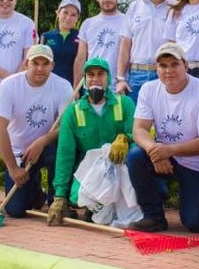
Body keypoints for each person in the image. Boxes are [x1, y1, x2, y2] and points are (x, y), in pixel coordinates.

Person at [126, 42, 199, 233]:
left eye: (174, 64)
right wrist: (154, 151)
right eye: (163, 66)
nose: (168, 71)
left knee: (196, 224)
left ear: (186, 65)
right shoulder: (149, 89)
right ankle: (153, 217)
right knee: (135, 156)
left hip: (196, 164)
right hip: (164, 155)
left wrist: (168, 150)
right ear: (156, 69)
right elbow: (139, 130)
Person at [47, 57, 136, 225]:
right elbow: (65, 154)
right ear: (84, 79)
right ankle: (95, 207)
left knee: (135, 162)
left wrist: (125, 138)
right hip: (90, 168)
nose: (95, 79)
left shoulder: (124, 104)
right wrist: (59, 195)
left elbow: (136, 134)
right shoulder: (73, 112)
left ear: (108, 77)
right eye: (90, 75)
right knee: (77, 196)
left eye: (100, 74)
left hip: (119, 166)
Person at [0, 44, 73, 217]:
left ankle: (57, 199)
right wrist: (12, 167)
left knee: (64, 146)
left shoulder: (63, 86)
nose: (40, 68)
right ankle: (35, 190)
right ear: (26, 63)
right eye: (35, 63)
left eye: (45, 63)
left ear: (53, 66)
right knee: (15, 210)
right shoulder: (9, 85)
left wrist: (42, 141)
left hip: (49, 147)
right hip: (19, 153)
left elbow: (67, 126)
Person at [117, 0, 172, 103]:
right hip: (136, 75)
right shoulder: (134, 7)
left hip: (165, 74)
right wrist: (121, 78)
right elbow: (125, 44)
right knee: (136, 116)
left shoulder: (176, 7)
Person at [73, 0, 126, 91]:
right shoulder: (87, 24)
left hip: (118, 88)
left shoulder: (128, 21)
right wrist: (76, 88)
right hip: (92, 87)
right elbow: (80, 58)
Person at [41, 0, 81, 85]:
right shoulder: (46, 37)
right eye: (65, 12)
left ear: (77, 18)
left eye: (73, 15)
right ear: (58, 13)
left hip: (73, 88)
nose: (68, 18)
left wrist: (76, 87)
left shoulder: (82, 38)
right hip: (49, 86)